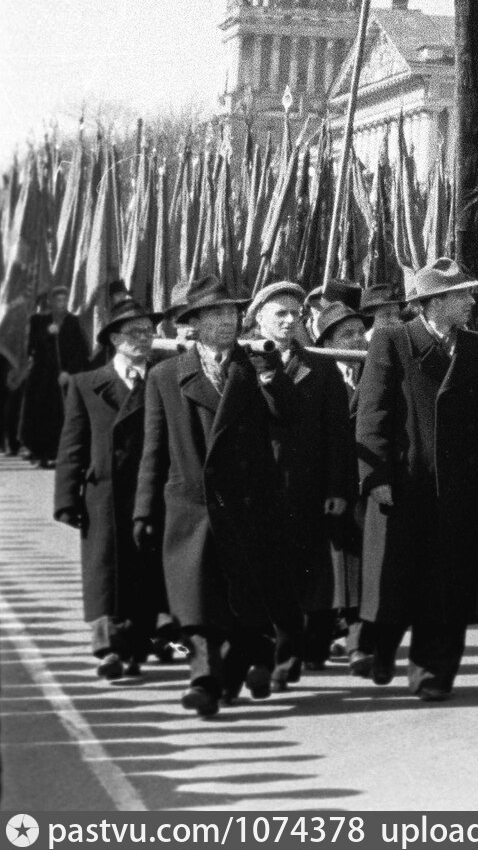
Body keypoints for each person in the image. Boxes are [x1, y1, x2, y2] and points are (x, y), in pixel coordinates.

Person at [136, 275, 297, 717]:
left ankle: (229, 675)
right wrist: (143, 510)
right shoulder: (166, 376)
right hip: (192, 506)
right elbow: (154, 449)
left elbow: (288, 418)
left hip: (249, 506)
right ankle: (203, 680)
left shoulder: (257, 366)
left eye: (230, 313)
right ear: (194, 324)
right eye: (214, 314)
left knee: (243, 604)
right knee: (197, 603)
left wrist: (270, 378)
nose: (226, 321)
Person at [353, 257, 478, 700]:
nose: (471, 301)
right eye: (461, 295)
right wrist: (375, 477)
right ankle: (379, 647)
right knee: (395, 578)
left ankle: (433, 673)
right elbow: (372, 414)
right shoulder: (393, 341)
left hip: (458, 488)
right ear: (433, 304)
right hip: (403, 481)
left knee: (446, 586)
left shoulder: (473, 347)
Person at [53, 293, 166, 681]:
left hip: (153, 488)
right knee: (106, 569)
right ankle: (109, 648)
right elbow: (73, 444)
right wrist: (67, 498)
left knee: (145, 569)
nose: (144, 338)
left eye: (149, 332)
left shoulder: (164, 377)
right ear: (114, 339)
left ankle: (136, 647)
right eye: (134, 332)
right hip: (105, 492)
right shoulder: (88, 384)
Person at [251, 277, 354, 686]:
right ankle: (265, 651)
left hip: (307, 490)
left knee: (301, 574)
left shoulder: (321, 366)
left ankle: (288, 656)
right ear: (259, 318)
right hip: (257, 488)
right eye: (280, 313)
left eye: (295, 314)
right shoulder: (243, 361)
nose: (290, 321)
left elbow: (337, 434)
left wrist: (337, 489)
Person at [311, 302, 370, 653]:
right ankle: (332, 629)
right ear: (328, 341)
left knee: (362, 559)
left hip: (366, 481)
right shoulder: (318, 376)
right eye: (347, 335)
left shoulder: (378, 370)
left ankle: (358, 638)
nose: (358, 339)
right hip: (329, 482)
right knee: (333, 559)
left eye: (360, 332)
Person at [19, 286, 94, 469]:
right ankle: (40, 453)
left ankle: (58, 453)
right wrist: (46, 333)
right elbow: (29, 347)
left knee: (60, 415)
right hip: (42, 377)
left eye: (64, 301)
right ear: (50, 302)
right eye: (57, 301)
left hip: (63, 377)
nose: (61, 305)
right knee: (39, 413)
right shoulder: (38, 320)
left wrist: (69, 372)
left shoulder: (73, 322)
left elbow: (80, 352)